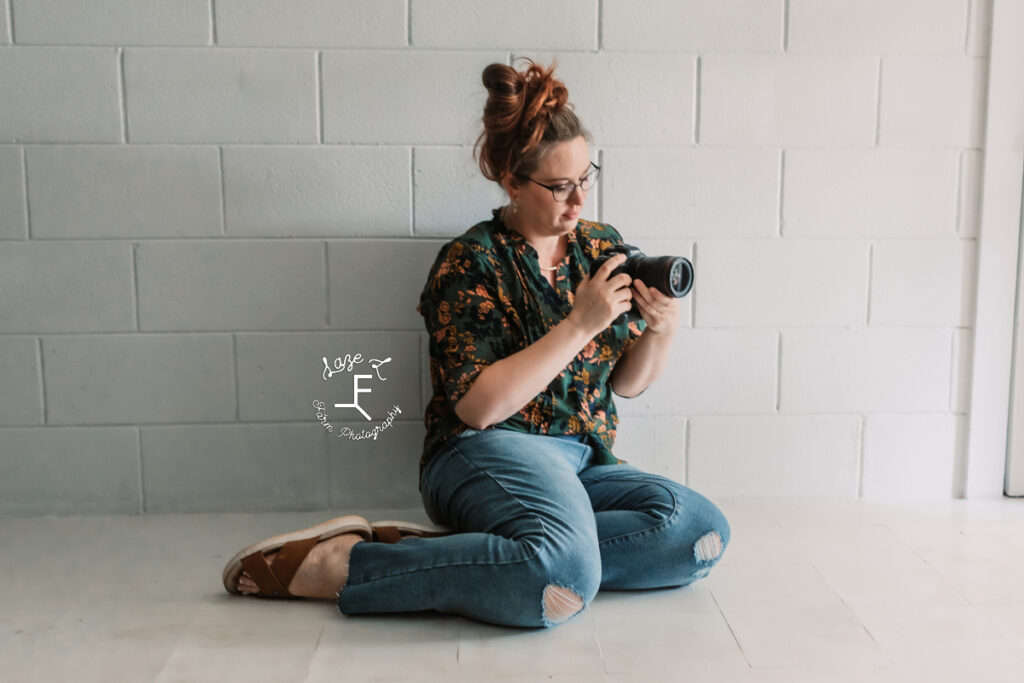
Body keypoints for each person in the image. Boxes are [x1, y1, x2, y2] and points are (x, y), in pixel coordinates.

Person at [222, 58, 730, 629]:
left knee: (697, 532)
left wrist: (663, 327)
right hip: (483, 452)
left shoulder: (600, 248)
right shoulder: (471, 262)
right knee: (559, 582)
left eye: (586, 178)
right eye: (560, 186)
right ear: (512, 180)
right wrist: (580, 324)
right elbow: (478, 407)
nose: (578, 202)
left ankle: (493, 550)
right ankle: (347, 565)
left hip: (582, 461)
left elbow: (628, 385)